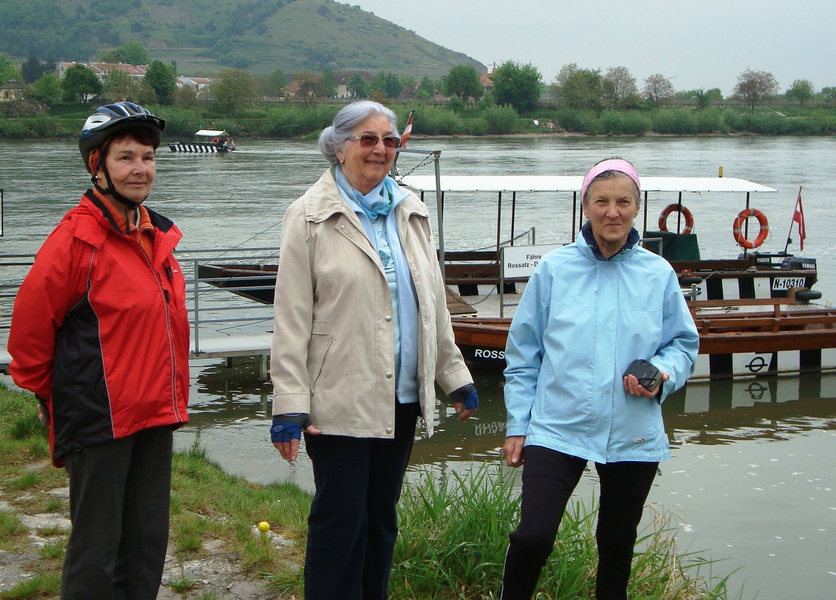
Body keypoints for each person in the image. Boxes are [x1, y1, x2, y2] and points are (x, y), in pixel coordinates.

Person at [269, 100, 479, 600]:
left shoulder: (411, 209)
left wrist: (454, 376)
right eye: (367, 139)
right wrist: (289, 406)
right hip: (338, 397)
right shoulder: (308, 215)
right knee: (341, 519)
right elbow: (291, 318)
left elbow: (432, 303)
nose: (380, 149)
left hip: (401, 395)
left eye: (389, 140)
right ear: (339, 148)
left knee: (381, 516)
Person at [7, 102, 190, 600]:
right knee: (97, 547)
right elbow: (28, 335)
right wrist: (54, 397)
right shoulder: (75, 241)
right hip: (99, 415)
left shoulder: (156, 235)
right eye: (126, 157)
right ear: (98, 166)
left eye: (148, 157)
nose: (140, 169)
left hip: (155, 412)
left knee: (146, 544)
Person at [500, 158, 699, 600]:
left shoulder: (658, 273)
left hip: (632, 429)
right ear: (585, 206)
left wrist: (661, 373)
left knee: (616, 542)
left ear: (637, 208)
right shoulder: (554, 269)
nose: (613, 212)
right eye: (602, 201)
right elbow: (524, 355)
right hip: (557, 426)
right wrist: (518, 425)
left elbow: (684, 345)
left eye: (623, 202)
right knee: (533, 537)